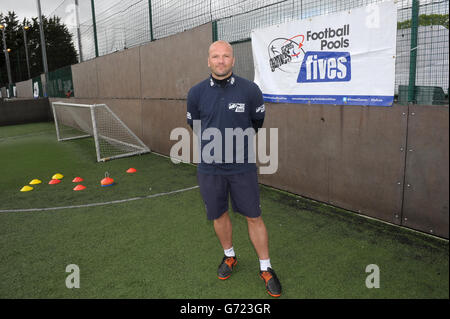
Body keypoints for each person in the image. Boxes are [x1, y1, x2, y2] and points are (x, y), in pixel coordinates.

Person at [186, 40, 282, 297]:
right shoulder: (196, 93)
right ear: (208, 61)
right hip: (210, 167)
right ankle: (229, 256)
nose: (220, 60)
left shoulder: (250, 90)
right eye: (215, 56)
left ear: (233, 60)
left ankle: (266, 267)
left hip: (242, 166)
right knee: (218, 214)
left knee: (254, 216)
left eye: (226, 56)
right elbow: (195, 126)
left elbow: (256, 122)